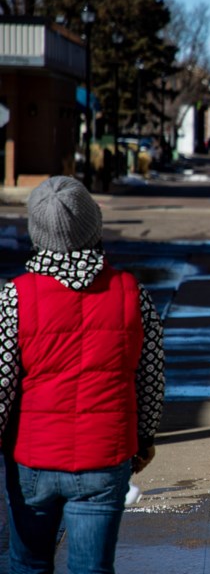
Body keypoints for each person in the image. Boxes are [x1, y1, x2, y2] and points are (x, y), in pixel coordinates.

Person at [0, 176, 165, 573]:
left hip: (31, 461)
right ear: (94, 225)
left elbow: (2, 382)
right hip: (104, 458)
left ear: (36, 233)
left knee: (28, 563)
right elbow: (151, 380)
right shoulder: (132, 293)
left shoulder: (14, 297)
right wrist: (143, 439)